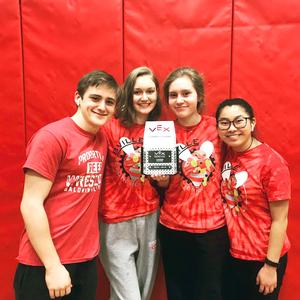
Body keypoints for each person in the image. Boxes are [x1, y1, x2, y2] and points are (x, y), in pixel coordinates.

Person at [14, 70, 119, 300]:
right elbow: (31, 204)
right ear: (78, 98)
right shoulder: (52, 137)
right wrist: (52, 267)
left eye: (109, 102)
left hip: (86, 262)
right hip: (45, 264)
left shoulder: (101, 139)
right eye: (95, 98)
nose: (102, 106)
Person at [158, 67, 229, 300]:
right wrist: (161, 180)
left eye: (186, 93)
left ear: (198, 95)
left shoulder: (218, 128)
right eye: (173, 95)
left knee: (210, 293)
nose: (179, 100)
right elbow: (166, 183)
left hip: (212, 230)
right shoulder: (162, 132)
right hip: (173, 227)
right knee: (178, 293)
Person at [215, 98, 291, 300]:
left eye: (239, 121)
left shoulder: (271, 163)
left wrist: (270, 266)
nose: (232, 128)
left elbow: (280, 220)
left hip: (262, 259)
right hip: (233, 256)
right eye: (224, 123)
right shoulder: (228, 154)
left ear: (252, 123)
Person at [99, 66, 162, 300]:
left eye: (150, 91)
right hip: (115, 220)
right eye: (138, 92)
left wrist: (164, 181)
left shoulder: (160, 130)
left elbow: (163, 180)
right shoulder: (110, 127)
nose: (144, 98)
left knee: (143, 294)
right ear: (128, 94)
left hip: (150, 215)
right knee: (129, 297)